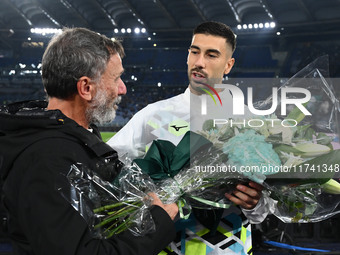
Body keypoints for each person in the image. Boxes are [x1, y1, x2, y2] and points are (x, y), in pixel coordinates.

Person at [0, 27, 178, 255]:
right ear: (86, 88)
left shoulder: (75, 138)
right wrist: (157, 224)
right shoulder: (47, 159)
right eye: (116, 78)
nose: (123, 88)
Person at [108, 21, 273, 255]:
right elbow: (108, 164)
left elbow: (264, 210)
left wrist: (255, 203)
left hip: (232, 247)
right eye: (194, 51)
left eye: (211, 55)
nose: (199, 62)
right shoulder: (154, 114)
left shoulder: (253, 123)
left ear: (228, 65)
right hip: (167, 245)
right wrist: (140, 193)